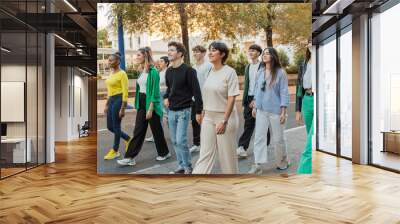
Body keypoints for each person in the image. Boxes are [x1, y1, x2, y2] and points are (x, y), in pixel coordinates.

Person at [117, 47, 170, 166]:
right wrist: (138, 104)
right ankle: (130, 157)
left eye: (139, 55)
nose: (136, 57)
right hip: (142, 102)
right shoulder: (143, 71)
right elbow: (140, 89)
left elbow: (155, 92)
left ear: (145, 56)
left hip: (151, 103)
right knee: (138, 131)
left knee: (157, 131)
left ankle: (164, 153)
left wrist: (150, 108)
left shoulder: (154, 72)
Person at [193, 41, 240, 174]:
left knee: (227, 158)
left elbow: (232, 98)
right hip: (208, 117)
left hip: (225, 118)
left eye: (214, 50)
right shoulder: (209, 71)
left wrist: (224, 121)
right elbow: (206, 93)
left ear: (222, 54)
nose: (210, 52)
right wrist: (203, 111)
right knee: (204, 155)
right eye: (209, 50)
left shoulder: (230, 72)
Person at [248, 47, 290, 175]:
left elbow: (284, 92)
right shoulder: (260, 71)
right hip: (261, 110)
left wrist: (283, 112)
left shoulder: (280, 72)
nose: (265, 55)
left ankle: (282, 161)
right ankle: (258, 164)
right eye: (264, 54)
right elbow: (257, 90)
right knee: (259, 138)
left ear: (273, 56)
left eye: (268, 53)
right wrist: (255, 106)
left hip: (276, 111)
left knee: (279, 139)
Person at [164, 41, 203, 174]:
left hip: (184, 110)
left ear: (180, 54)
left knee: (181, 140)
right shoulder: (168, 71)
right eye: (168, 50)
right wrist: (165, 97)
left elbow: (197, 92)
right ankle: (181, 165)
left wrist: (198, 111)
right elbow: (170, 88)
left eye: (172, 50)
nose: (169, 52)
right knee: (174, 141)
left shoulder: (189, 71)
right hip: (171, 111)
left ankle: (188, 167)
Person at [237, 44, 270, 158]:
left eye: (253, 50)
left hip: (260, 98)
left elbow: (264, 84)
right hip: (249, 98)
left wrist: (257, 99)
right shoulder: (248, 67)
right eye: (249, 50)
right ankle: (242, 147)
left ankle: (265, 145)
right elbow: (247, 85)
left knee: (262, 123)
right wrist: (244, 102)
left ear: (258, 53)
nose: (250, 52)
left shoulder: (264, 66)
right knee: (248, 124)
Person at [103, 52, 131, 160]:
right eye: (108, 60)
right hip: (112, 100)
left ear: (118, 61)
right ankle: (128, 138)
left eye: (111, 60)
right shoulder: (111, 73)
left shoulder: (122, 74)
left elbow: (125, 91)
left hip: (119, 99)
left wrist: (123, 108)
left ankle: (115, 150)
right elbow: (109, 91)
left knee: (116, 126)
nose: (109, 62)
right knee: (110, 127)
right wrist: (106, 105)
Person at [189, 45, 212, 153]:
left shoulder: (208, 66)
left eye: (197, 52)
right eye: (194, 52)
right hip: (195, 99)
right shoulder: (193, 67)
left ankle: (209, 143)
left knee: (207, 122)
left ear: (203, 53)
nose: (195, 54)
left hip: (206, 98)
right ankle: (197, 143)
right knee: (195, 121)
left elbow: (209, 83)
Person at [297, 41, 314, 174]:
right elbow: (299, 86)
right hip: (306, 100)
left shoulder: (325, 57)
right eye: (309, 42)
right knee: (310, 134)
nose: (310, 43)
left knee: (311, 138)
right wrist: (298, 109)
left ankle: (304, 171)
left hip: (319, 99)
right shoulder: (304, 63)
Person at [145, 56, 170, 142]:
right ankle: (156, 135)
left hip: (165, 95)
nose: (160, 63)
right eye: (159, 61)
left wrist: (168, 97)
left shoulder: (168, 72)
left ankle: (173, 134)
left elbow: (170, 86)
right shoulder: (158, 72)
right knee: (158, 116)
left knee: (168, 116)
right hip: (158, 95)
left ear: (166, 63)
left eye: (162, 61)